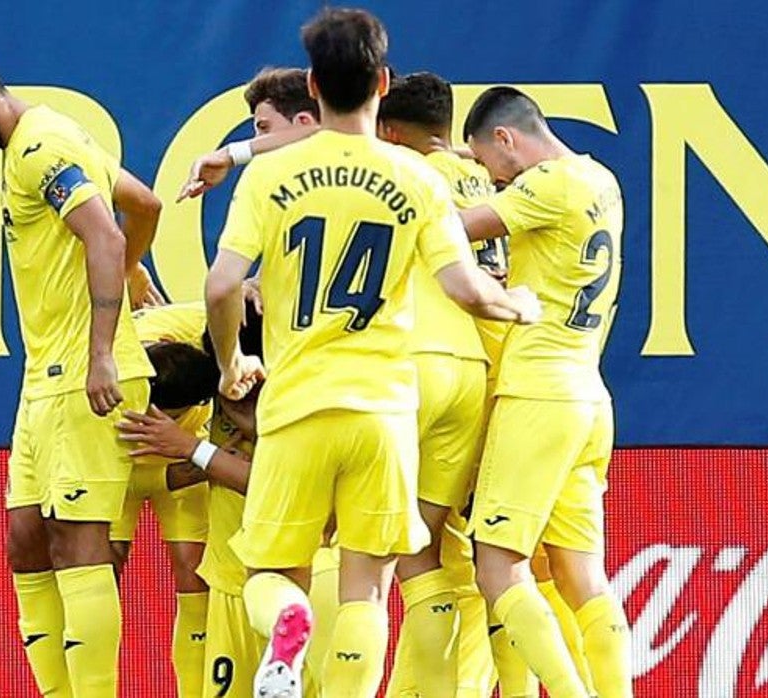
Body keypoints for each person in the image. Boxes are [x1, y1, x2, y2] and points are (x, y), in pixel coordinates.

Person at [203, 8, 541, 697]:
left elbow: (220, 285)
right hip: (384, 411)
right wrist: (519, 305)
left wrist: (232, 361)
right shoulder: (417, 178)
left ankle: (289, 619)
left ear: (311, 85)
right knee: (369, 588)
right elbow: (466, 288)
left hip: (298, 405)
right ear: (383, 82)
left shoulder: (271, 176)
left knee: (270, 574)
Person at [0, 35, 160, 696]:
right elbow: (144, 202)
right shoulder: (45, 137)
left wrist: (102, 351)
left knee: (80, 548)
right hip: (45, 378)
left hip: (87, 378)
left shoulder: (42, 147)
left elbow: (107, 231)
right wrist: (130, 269)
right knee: (26, 544)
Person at [458, 86, 631, 698]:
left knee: (497, 565)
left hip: (538, 392)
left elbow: (450, 231)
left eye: (488, 164)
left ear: (506, 138)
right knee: (580, 572)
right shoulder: (600, 179)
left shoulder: (548, 183)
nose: (493, 180)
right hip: (588, 394)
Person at [377, 70, 499, 698]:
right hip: (478, 370)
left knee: (361, 545)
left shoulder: (399, 174)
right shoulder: (481, 177)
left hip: (412, 361)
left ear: (390, 132)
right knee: (432, 552)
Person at [111, 303, 218, 697]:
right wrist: (166, 475)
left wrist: (252, 289)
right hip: (115, 472)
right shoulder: (105, 362)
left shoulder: (199, 324)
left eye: (175, 416)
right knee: (98, 573)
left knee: (196, 574)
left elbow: (240, 298)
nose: (162, 425)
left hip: (188, 462)